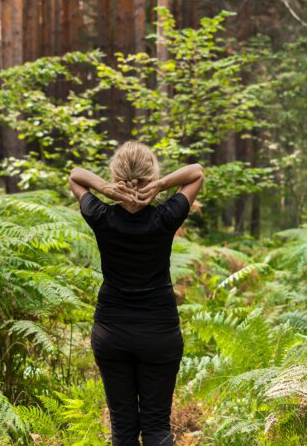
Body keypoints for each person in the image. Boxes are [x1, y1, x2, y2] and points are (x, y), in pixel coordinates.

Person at [68, 141, 205, 446]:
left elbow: (75, 175)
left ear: (116, 176)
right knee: (156, 427)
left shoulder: (101, 215)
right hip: (159, 332)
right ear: (151, 175)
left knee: (123, 430)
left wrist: (106, 189)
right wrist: (161, 185)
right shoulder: (166, 216)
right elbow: (196, 172)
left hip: (112, 332)